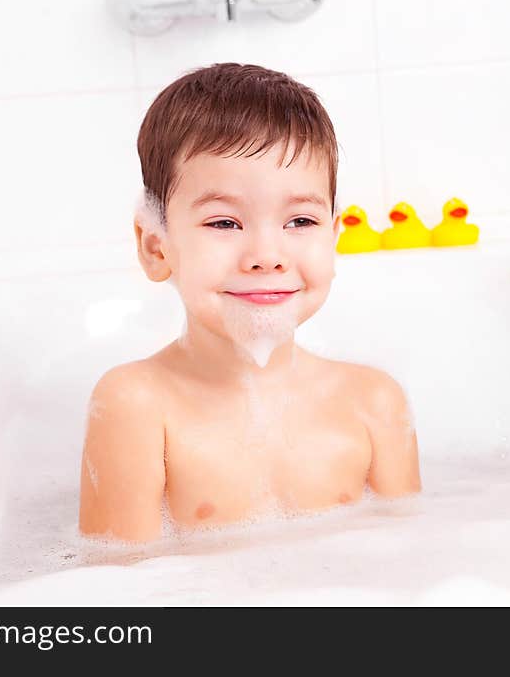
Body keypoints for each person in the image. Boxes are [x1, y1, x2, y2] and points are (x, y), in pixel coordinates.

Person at [79, 63, 421, 542]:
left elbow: (412, 567)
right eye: (224, 224)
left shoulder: (374, 402)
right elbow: (119, 585)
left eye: (300, 221)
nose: (266, 257)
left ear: (334, 236)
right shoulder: (137, 405)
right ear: (157, 247)